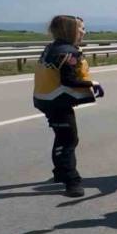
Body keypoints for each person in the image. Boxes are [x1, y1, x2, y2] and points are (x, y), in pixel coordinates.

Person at [33, 15, 105, 197]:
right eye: (81, 28)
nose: (84, 32)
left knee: (62, 136)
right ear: (69, 30)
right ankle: (71, 181)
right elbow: (69, 80)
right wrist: (93, 84)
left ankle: (59, 172)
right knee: (69, 140)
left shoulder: (53, 47)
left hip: (45, 99)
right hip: (57, 101)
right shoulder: (68, 52)